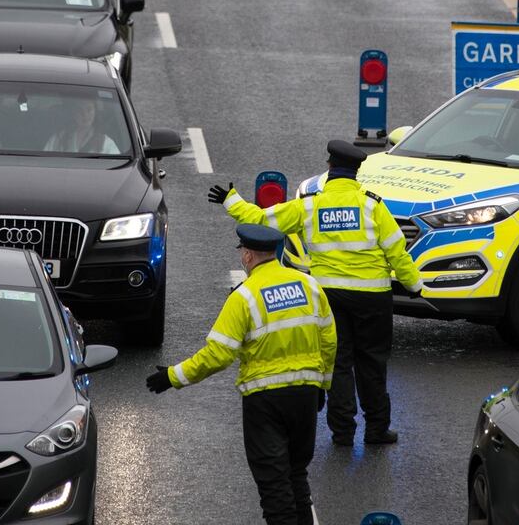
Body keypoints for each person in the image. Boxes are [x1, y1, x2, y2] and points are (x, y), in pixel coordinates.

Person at [207, 140, 420, 446]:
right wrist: (413, 285)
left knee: (338, 362)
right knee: (372, 362)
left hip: (329, 296)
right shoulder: (372, 206)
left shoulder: (311, 206)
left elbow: (263, 220)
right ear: (355, 174)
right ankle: (376, 429)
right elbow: (397, 251)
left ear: (330, 170)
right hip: (373, 298)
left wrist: (231, 201)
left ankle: (343, 431)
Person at [146, 224, 337, 525]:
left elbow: (218, 354)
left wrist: (173, 376)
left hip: (266, 401)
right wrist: (322, 385)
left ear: (247, 256)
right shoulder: (309, 286)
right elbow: (329, 339)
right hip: (305, 394)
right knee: (296, 474)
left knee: (274, 484)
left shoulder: (244, 297)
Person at [43, 99, 120, 155]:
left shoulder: (106, 142)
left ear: (95, 111)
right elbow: (45, 162)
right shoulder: (58, 139)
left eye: (89, 109)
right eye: (80, 110)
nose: (85, 115)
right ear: (73, 113)